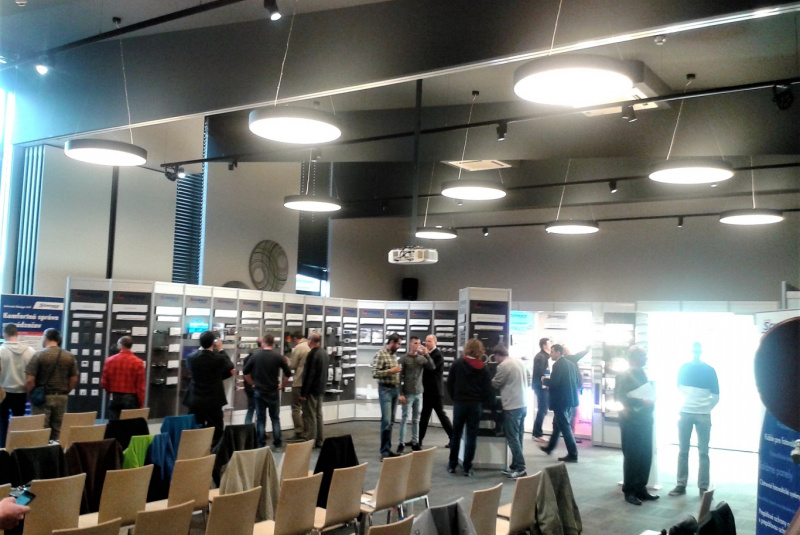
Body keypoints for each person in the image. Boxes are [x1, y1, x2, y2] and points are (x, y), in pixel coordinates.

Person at [669, 342, 720, 497]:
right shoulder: (688, 368)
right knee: (687, 450)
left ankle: (700, 486)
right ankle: (683, 484)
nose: (696, 353)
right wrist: (704, 407)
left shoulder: (708, 370)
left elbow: (716, 395)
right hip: (689, 412)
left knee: (700, 451)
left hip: (696, 413)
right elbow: (715, 397)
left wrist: (703, 408)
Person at [616, 345, 658, 505]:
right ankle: (629, 491)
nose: (646, 358)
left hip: (645, 420)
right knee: (633, 456)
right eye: (643, 355)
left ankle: (641, 488)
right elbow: (619, 397)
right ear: (634, 357)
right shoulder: (623, 374)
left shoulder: (642, 373)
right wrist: (641, 401)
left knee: (645, 455)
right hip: (631, 421)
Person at [447, 338, 494, 477]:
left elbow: (449, 383)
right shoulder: (483, 367)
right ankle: (467, 467)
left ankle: (452, 465)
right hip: (475, 405)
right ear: (480, 351)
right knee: (471, 436)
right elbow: (488, 389)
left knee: (456, 434)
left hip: (460, 403)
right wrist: (485, 402)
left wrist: (456, 398)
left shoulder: (457, 364)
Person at [183, 330, 235, 446]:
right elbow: (230, 366)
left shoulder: (191, 358)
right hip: (214, 400)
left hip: (196, 399)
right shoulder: (218, 358)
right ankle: (215, 453)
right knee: (217, 431)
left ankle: (196, 452)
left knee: (195, 430)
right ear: (213, 343)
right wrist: (221, 349)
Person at [25, 328, 78, 441]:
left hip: (42, 398)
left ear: (46, 338)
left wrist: (30, 396)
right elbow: (74, 379)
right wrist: (65, 391)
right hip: (61, 397)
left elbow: (30, 380)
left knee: (40, 430)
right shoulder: (69, 356)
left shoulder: (39, 355)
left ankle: (41, 450)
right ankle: (55, 450)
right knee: (58, 431)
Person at [244, 333, 291, 449]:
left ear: (263, 342)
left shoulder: (255, 356)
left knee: (260, 419)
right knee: (275, 418)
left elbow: (245, 372)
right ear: (273, 343)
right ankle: (278, 444)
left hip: (259, 391)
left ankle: (261, 444)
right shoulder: (278, 357)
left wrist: (252, 383)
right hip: (273, 391)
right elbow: (288, 374)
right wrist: (282, 385)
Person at [491, 344, 529, 479]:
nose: (495, 359)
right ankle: (514, 465)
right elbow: (528, 378)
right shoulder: (519, 362)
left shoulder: (503, 366)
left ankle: (520, 468)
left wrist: (486, 380)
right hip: (523, 404)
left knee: (512, 438)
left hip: (512, 406)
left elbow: (496, 383)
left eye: (495, 356)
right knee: (518, 437)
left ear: (497, 355)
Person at [539, 344, 579, 462]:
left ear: (558, 352)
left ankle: (573, 454)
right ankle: (550, 447)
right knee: (557, 425)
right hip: (569, 399)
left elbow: (555, 383)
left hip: (561, 400)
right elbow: (576, 381)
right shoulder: (571, 364)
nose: (550, 354)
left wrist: (544, 380)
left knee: (565, 427)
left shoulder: (557, 365)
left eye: (552, 352)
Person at [0, 324, 35, 447]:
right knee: (19, 424)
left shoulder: (1, 351)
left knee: (2, 423)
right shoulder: (30, 351)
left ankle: (3, 449)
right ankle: (17, 448)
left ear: (4, 334)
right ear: (17, 334)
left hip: (3, 392)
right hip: (21, 392)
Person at [397, 336, 434, 453]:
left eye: (419, 343)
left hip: (419, 393)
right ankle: (401, 443)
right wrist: (400, 393)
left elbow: (432, 367)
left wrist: (427, 354)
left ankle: (415, 442)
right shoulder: (403, 359)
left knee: (416, 419)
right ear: (410, 344)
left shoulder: (421, 359)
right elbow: (399, 378)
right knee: (405, 418)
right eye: (416, 343)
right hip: (408, 393)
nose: (418, 345)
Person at [419, 334, 453, 448]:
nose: (427, 343)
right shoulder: (428, 354)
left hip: (435, 391)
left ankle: (453, 437)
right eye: (426, 341)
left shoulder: (438, 355)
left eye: (429, 341)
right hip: (428, 390)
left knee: (441, 415)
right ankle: (418, 440)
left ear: (435, 342)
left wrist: (426, 355)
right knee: (424, 416)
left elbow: (432, 368)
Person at [373, 333, 403, 459]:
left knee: (391, 421)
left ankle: (387, 449)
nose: (399, 346)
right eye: (398, 344)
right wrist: (391, 371)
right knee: (386, 421)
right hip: (385, 390)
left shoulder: (394, 356)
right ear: (392, 342)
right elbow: (375, 373)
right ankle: (384, 452)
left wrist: (400, 392)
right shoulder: (381, 354)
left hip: (395, 390)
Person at [101, 336, 146, 420]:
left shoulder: (109, 360)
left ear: (120, 345)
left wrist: (110, 392)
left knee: (114, 423)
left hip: (115, 396)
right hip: (131, 398)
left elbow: (104, 382)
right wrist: (141, 402)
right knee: (129, 424)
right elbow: (140, 385)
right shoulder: (138, 362)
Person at [299, 333, 328, 449]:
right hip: (320, 388)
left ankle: (310, 441)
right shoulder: (324, 353)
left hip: (312, 390)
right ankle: (320, 440)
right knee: (319, 415)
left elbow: (308, 375)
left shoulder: (312, 354)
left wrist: (303, 393)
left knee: (310, 416)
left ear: (310, 341)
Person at [288, 332, 310, 439]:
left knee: (295, 407)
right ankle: (307, 431)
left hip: (299, 382)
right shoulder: (310, 346)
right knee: (306, 408)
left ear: (295, 339)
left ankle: (299, 431)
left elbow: (292, 365)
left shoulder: (299, 347)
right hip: (309, 383)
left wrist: (288, 361)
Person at [531, 337, 552, 441]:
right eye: (549, 344)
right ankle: (537, 433)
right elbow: (541, 372)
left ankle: (537, 432)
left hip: (543, 386)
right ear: (544, 346)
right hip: (541, 387)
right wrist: (546, 382)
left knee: (543, 409)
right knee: (542, 409)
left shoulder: (545, 356)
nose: (551, 346)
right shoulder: (541, 357)